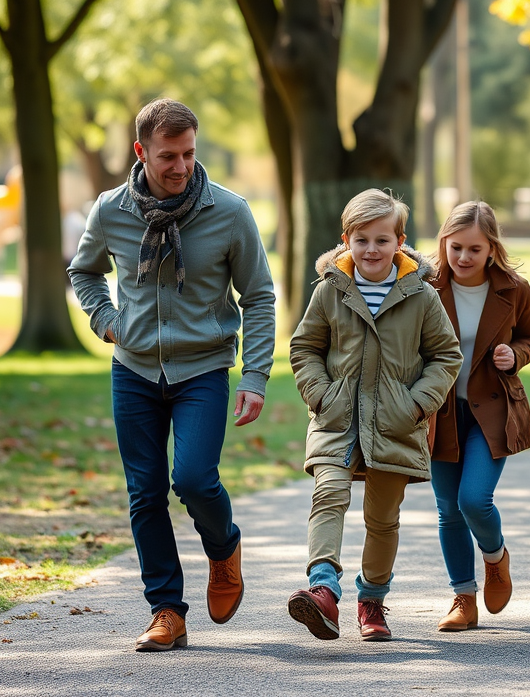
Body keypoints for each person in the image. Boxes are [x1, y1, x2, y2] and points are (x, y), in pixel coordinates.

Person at [68, 98, 275, 651]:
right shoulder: (110, 209)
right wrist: (110, 324)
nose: (180, 166)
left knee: (193, 479)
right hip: (133, 370)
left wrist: (254, 375)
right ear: (141, 151)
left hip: (203, 368)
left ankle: (223, 546)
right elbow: (83, 272)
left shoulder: (229, 212)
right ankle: (166, 611)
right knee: (145, 493)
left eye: (188, 154)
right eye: (168, 156)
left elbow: (258, 296)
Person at [285, 189, 462, 642]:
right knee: (328, 494)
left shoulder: (421, 296)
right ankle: (323, 589)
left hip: (394, 421)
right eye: (361, 240)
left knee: (382, 518)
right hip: (337, 416)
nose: (371, 250)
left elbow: (445, 355)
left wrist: (418, 404)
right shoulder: (330, 291)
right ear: (346, 240)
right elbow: (305, 347)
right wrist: (320, 394)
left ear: (399, 241)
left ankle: (372, 600)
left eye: (382, 240)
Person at [428, 201, 530, 632]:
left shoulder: (514, 289)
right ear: (443, 243)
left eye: (474, 249)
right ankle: (463, 598)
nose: (463, 258)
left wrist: (515, 354)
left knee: (473, 500)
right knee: (447, 510)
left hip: (491, 411)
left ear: (491, 249)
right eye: (455, 247)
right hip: (438, 413)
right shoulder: (424, 285)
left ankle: (495, 559)